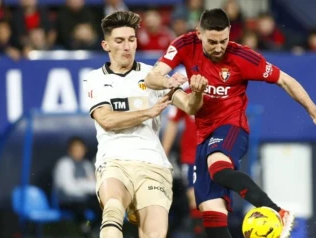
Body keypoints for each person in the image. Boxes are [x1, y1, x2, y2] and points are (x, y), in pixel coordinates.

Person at [144, 8, 316, 238]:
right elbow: (151, 78)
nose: (218, 47)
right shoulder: (184, 45)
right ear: (198, 33)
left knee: (218, 168)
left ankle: (279, 213)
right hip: (202, 135)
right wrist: (169, 80)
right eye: (212, 42)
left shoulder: (242, 57)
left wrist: (315, 112)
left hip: (232, 126)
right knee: (209, 211)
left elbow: (285, 80)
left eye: (223, 40)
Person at [83, 11, 208, 238]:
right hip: (114, 161)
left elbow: (190, 107)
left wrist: (197, 91)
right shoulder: (95, 78)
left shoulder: (153, 75)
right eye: (119, 41)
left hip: (153, 165)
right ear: (106, 45)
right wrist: (148, 111)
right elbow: (106, 119)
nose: (127, 46)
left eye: (131, 40)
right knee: (112, 209)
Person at [162, 83, 204, 237]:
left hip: (214, 153)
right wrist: (163, 152)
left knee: (212, 200)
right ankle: (200, 233)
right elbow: (173, 123)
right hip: (191, 155)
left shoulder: (219, 93)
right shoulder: (184, 94)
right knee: (194, 197)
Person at [53, 136, 100, 236]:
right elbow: (68, 188)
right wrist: (84, 184)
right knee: (80, 209)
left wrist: (80, 184)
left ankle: (90, 228)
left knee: (101, 207)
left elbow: (94, 186)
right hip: (67, 202)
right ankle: (86, 229)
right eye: (75, 150)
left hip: (83, 200)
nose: (78, 152)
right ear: (69, 151)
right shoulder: (64, 164)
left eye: (81, 150)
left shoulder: (86, 164)